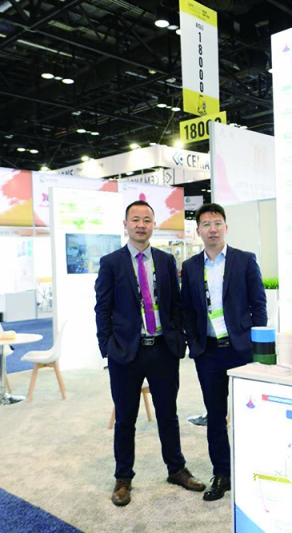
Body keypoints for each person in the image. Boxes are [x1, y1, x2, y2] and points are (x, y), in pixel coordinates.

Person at [94, 200, 205, 507]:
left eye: (147, 220)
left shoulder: (166, 261)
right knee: (125, 418)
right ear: (126, 225)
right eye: (135, 219)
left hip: (162, 350)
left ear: (154, 225)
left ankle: (176, 469)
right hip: (125, 353)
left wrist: (178, 339)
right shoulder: (111, 263)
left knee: (168, 414)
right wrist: (107, 346)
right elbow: (102, 308)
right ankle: (123, 478)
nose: (141, 225)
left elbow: (176, 304)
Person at [180, 203, 268, 502]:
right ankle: (222, 474)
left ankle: (253, 469)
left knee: (249, 412)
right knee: (216, 416)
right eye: (206, 224)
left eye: (217, 223)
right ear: (198, 231)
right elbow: (187, 310)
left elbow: (258, 305)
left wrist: (257, 346)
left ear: (226, 227)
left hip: (242, 350)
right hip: (209, 352)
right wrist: (194, 343)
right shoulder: (191, 266)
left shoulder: (245, 260)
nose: (212, 229)